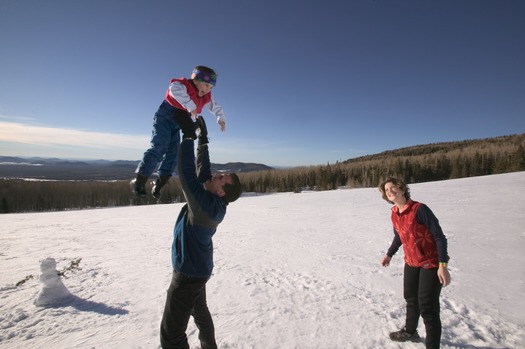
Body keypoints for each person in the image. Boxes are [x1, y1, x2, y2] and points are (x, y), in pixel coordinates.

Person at [160, 114, 242, 349]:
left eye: (220, 178)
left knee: (171, 335)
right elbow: (203, 171)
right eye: (220, 174)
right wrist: (203, 140)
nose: (215, 176)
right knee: (200, 311)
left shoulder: (206, 207)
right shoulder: (213, 199)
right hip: (198, 269)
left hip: (188, 275)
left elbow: (187, 175)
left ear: (222, 192)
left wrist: (187, 137)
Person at [131, 65, 227, 199]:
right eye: (206, 85)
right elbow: (173, 90)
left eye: (211, 87)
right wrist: (190, 105)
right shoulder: (183, 85)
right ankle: (139, 180)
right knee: (160, 147)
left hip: (177, 123)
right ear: (196, 80)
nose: (208, 90)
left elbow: (215, 106)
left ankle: (159, 183)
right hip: (165, 118)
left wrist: (220, 118)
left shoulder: (206, 96)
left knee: (173, 153)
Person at [379, 177, 451, 349]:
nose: (390, 191)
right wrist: (389, 254)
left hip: (431, 263)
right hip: (411, 262)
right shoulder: (394, 213)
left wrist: (443, 265)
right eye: (386, 190)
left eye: (393, 187)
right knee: (411, 298)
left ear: (402, 189)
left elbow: (439, 237)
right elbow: (399, 236)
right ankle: (410, 331)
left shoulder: (420, 209)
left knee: (428, 307)